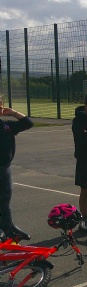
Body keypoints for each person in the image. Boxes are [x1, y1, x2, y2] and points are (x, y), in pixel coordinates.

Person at [0, 97, 33, 241]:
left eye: (0, 106)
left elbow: (28, 123)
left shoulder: (6, 126)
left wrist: (13, 113)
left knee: (5, 199)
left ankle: (8, 227)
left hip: (4, 168)